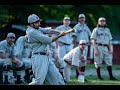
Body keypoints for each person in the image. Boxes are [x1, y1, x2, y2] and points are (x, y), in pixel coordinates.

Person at [26, 14, 73, 85]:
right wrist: (60, 35)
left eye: (39, 21)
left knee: (58, 81)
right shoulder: (32, 32)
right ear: (31, 24)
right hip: (39, 58)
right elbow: (49, 40)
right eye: (36, 22)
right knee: (38, 82)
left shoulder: (37, 28)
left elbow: (48, 30)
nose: (39, 23)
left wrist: (59, 32)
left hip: (46, 57)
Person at [72, 13, 92, 78]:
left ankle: (82, 75)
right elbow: (74, 36)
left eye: (83, 18)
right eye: (80, 18)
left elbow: (90, 35)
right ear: (78, 19)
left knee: (84, 60)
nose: (82, 19)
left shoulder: (86, 27)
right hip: (78, 45)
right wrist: (75, 45)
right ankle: (78, 75)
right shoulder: (76, 26)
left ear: (85, 19)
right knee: (78, 60)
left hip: (85, 46)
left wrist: (89, 42)